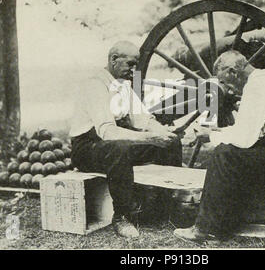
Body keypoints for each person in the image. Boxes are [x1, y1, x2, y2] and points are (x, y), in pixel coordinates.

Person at [173, 50, 265, 242]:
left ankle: (206, 229)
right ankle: (226, 221)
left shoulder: (256, 87)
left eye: (225, 82)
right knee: (233, 152)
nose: (227, 89)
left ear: (233, 72)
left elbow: (244, 138)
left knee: (224, 155)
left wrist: (210, 135)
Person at [70, 40, 182, 238]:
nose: (134, 69)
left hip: (113, 143)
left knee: (170, 144)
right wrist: (149, 138)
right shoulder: (95, 86)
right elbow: (107, 132)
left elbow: (144, 119)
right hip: (87, 148)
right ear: (114, 60)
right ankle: (122, 217)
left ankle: (163, 206)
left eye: (136, 64)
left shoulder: (123, 86)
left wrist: (165, 134)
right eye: (130, 64)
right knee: (118, 149)